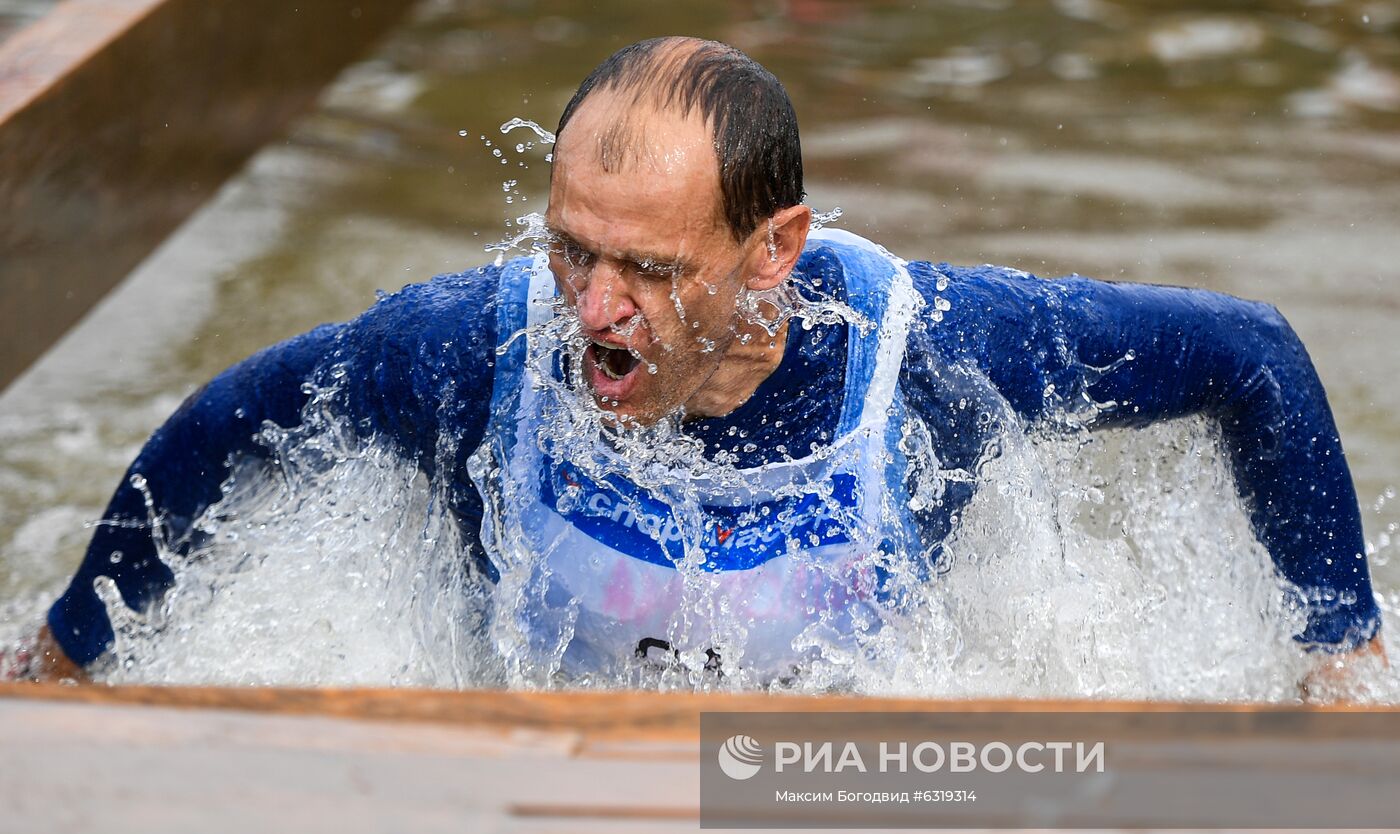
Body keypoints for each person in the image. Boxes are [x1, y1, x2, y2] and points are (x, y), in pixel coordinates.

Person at [35, 37, 1385, 688]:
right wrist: (60, 666)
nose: (596, 311)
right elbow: (237, 419)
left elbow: (1251, 358)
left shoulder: (936, 359)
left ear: (772, 249)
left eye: (653, 272)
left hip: (817, 829)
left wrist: (1339, 667)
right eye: (572, 249)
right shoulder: (472, 353)